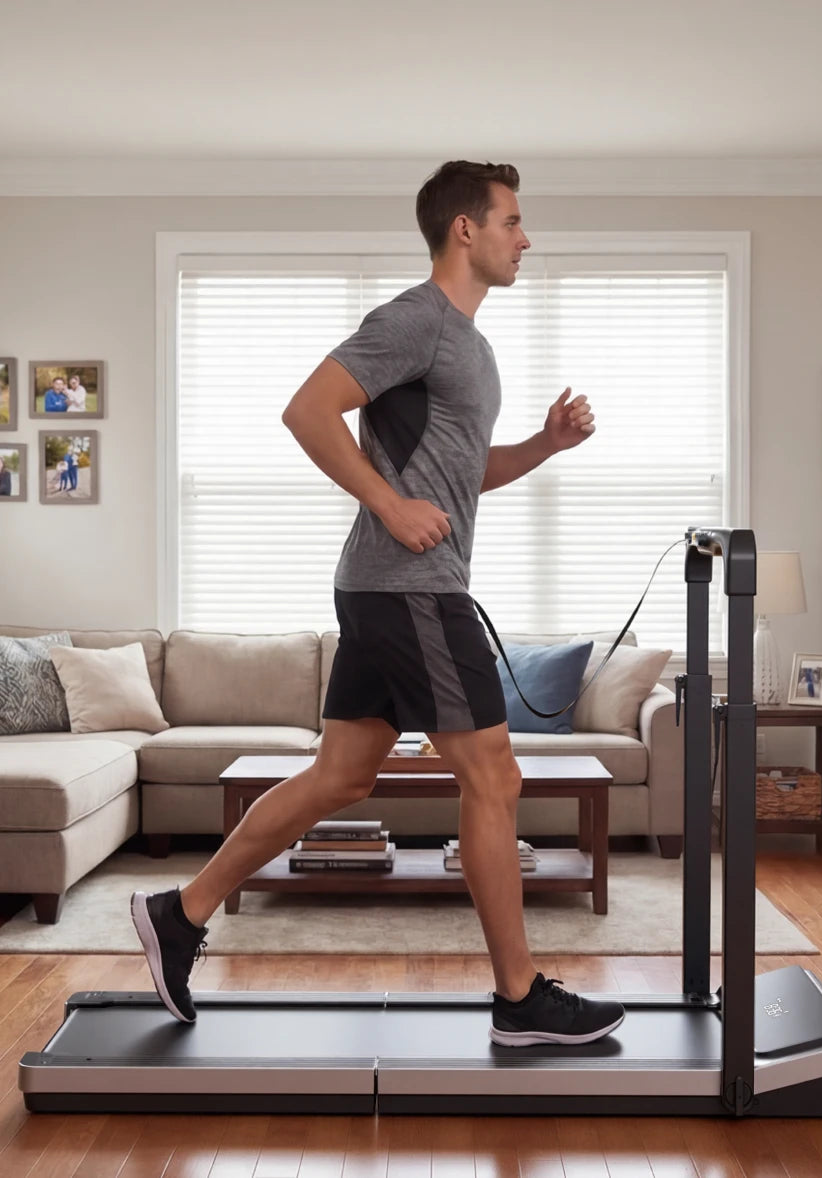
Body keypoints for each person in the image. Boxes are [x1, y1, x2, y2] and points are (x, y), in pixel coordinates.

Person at [130, 161, 626, 1048]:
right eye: (512, 221)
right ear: (464, 230)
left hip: (381, 586)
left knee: (342, 776)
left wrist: (544, 447)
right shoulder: (416, 319)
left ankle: (181, 911)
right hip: (410, 588)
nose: (526, 238)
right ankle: (519, 1000)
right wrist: (390, 506)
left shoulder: (469, 346)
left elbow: (462, 474)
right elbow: (309, 410)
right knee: (495, 776)